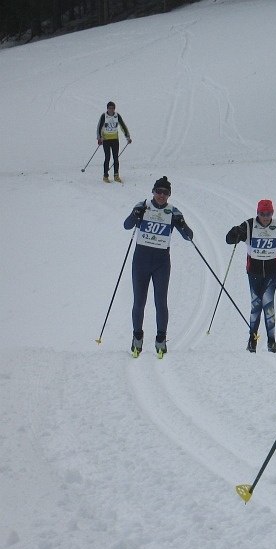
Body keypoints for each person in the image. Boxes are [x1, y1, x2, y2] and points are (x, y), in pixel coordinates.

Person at [123, 176, 193, 357]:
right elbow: (127, 225)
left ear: (169, 195)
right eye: (158, 191)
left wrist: (182, 223)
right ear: (153, 191)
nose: (161, 195)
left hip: (161, 263)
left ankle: (161, 340)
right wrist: (135, 214)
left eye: (165, 193)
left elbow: (189, 236)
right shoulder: (143, 206)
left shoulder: (173, 211)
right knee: (139, 301)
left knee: (160, 302)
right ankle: (137, 338)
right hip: (141, 261)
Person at [226, 199, 276, 353]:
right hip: (254, 271)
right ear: (257, 213)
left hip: (272, 272)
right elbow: (229, 240)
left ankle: (271, 341)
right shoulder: (249, 225)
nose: (265, 217)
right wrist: (235, 232)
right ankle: (252, 340)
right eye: (262, 214)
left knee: (268, 303)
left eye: (269, 214)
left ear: (273, 213)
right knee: (256, 305)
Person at [97, 101, 131, 183]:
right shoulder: (104, 116)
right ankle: (105, 176)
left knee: (116, 158)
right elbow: (99, 127)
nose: (111, 110)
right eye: (109, 108)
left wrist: (127, 137)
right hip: (106, 140)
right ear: (107, 108)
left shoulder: (117, 116)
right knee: (107, 157)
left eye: (112, 108)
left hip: (115, 139)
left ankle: (116, 175)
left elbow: (123, 126)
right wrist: (99, 138)